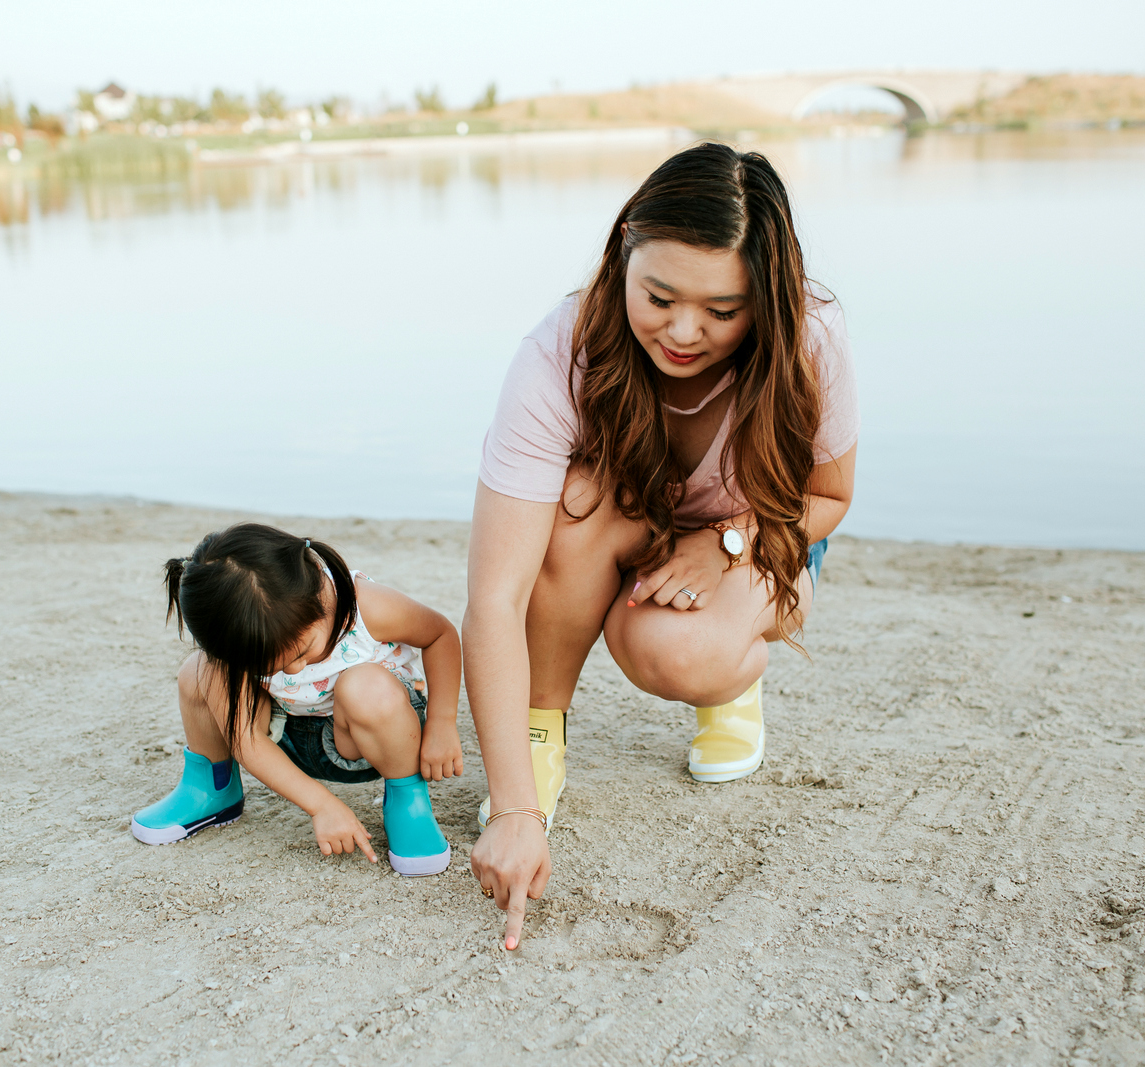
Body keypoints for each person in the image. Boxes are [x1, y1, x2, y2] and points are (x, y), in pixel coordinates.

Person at [466, 143, 858, 947]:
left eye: (723, 310)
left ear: (768, 299)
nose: (684, 331)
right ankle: (543, 731)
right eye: (660, 296)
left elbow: (828, 497)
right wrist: (511, 807)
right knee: (568, 507)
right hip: (622, 521)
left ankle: (733, 683)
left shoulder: (813, 337)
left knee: (673, 654)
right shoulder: (559, 353)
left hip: (762, 532)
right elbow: (495, 595)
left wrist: (727, 541)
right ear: (622, 258)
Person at [130, 522, 465, 877]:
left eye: (303, 651)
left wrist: (443, 723)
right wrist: (322, 806)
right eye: (271, 666)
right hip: (284, 735)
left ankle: (407, 799)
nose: (292, 670)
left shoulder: (367, 607)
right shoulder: (239, 641)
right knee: (199, 672)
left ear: (319, 592)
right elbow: (247, 740)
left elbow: (440, 635)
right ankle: (212, 787)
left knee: (363, 685)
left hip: (367, 739)